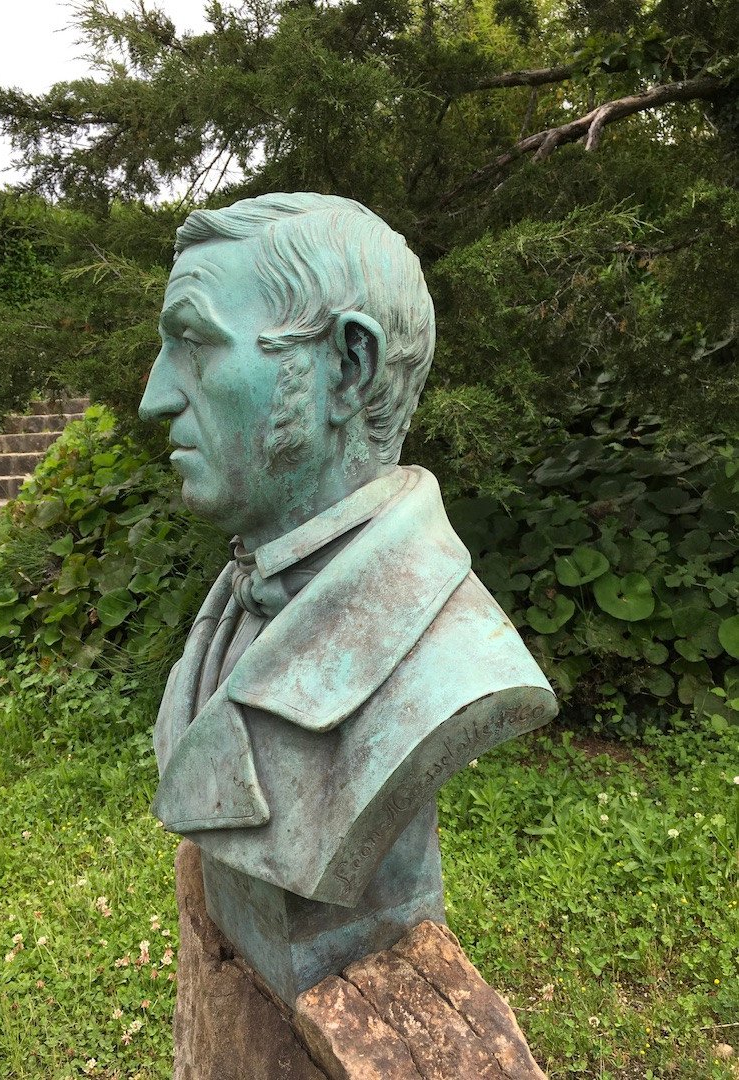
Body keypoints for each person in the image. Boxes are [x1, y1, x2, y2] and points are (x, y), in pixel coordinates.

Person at [139, 192, 556, 911]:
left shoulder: (457, 661)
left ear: (348, 368)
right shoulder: (240, 589)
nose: (154, 398)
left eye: (196, 343)